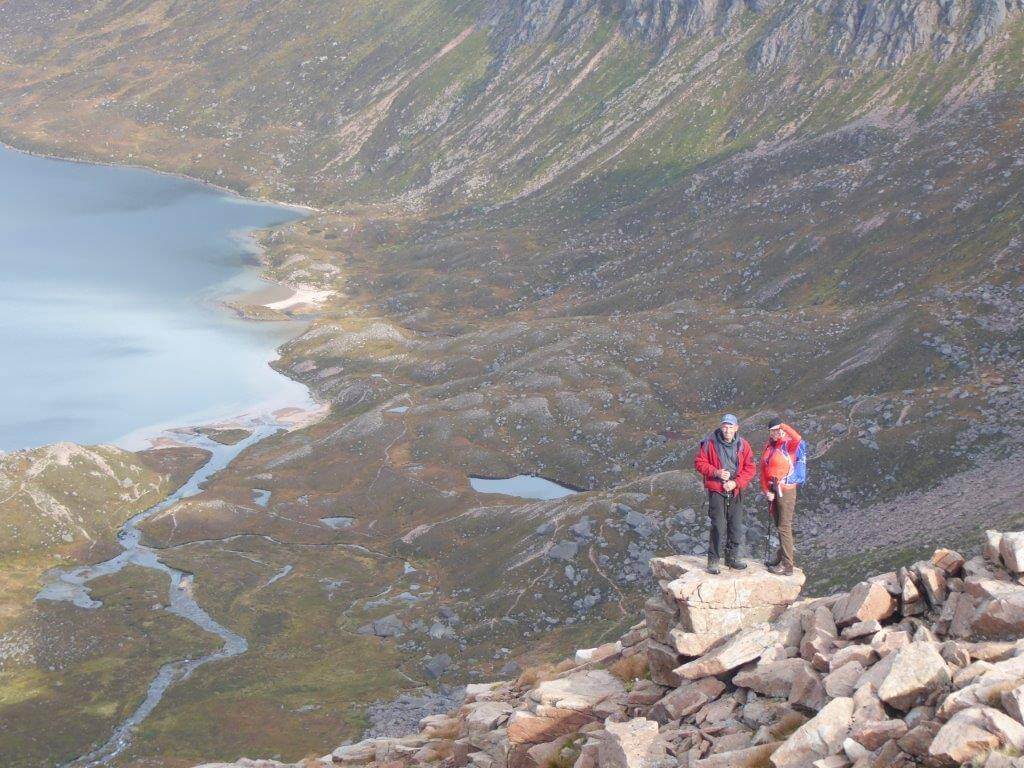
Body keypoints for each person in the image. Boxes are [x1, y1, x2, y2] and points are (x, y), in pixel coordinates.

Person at [694, 414, 756, 574]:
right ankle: (713, 560)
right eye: (724, 427)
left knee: (735, 526)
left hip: (735, 489)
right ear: (721, 427)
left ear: (736, 428)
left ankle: (732, 557)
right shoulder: (710, 443)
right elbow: (699, 463)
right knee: (718, 525)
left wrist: (736, 483)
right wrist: (716, 472)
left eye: (730, 427)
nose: (727, 430)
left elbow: (750, 468)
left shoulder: (743, 445)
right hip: (717, 489)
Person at [760, 417, 807, 575]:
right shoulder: (769, 446)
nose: (775, 433)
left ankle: (787, 565)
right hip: (774, 489)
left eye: (777, 430)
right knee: (779, 525)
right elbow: (764, 471)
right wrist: (766, 490)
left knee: (784, 527)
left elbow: (798, 438)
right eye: (772, 430)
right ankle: (780, 558)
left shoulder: (789, 445)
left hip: (786, 490)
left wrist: (783, 426)